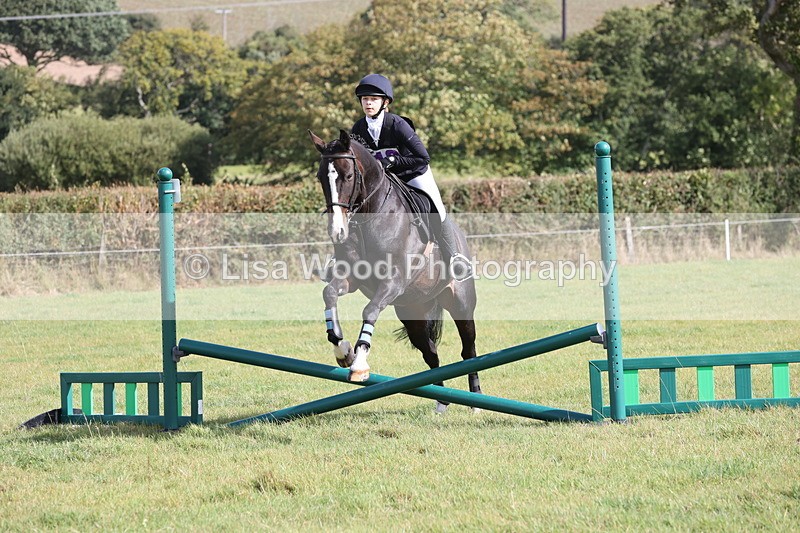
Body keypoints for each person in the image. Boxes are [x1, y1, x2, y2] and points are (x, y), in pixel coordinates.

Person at [350, 73, 473, 281]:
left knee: (436, 207)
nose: (368, 103)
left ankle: (454, 257)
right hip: (385, 182)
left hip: (413, 174)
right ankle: (343, 258)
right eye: (365, 99)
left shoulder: (398, 125)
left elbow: (423, 158)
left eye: (373, 99)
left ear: (385, 102)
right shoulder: (359, 129)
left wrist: (395, 162)